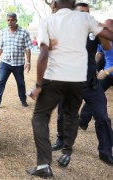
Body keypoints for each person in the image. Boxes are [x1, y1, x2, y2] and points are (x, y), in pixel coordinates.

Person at [26, 0, 113, 178]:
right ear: (73, 4)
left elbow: (43, 53)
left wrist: (38, 85)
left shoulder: (54, 21)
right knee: (69, 114)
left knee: (42, 117)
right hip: (76, 79)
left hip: (70, 79)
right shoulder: (80, 20)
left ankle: (45, 163)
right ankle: (65, 149)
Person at [51, 3, 113, 166]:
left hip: (90, 83)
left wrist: (101, 35)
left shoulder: (93, 31)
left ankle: (105, 152)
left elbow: (107, 47)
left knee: (102, 116)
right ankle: (61, 139)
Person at [0, 12, 32, 109]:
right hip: (5, 63)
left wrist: (28, 62)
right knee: (1, 81)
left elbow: (28, 48)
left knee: (20, 82)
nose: (10, 22)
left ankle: (23, 100)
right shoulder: (3, 32)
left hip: (18, 64)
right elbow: (0, 48)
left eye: (12, 20)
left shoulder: (24, 32)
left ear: (16, 21)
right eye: (8, 20)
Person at [80, 19, 113, 130]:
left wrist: (107, 71)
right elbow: (98, 54)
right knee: (94, 94)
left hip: (107, 72)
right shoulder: (102, 38)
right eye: (103, 28)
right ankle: (83, 121)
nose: (104, 31)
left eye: (106, 29)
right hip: (107, 73)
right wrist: (94, 67)